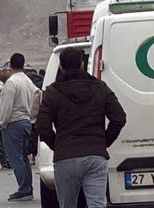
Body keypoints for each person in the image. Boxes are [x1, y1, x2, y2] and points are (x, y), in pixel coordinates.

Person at [37, 47, 127, 208]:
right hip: (95, 155)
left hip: (65, 157)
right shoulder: (100, 88)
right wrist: (103, 141)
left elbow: (42, 126)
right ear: (82, 64)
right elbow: (119, 118)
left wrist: (57, 145)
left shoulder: (53, 92)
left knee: (67, 204)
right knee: (97, 203)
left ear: (61, 67)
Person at [0, 53, 37, 202]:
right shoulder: (28, 81)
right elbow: (37, 95)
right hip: (26, 122)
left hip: (13, 123)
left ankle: (24, 189)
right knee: (24, 158)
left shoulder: (11, 82)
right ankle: (28, 187)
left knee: (15, 159)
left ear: (10, 65)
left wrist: (2, 122)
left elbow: (6, 106)